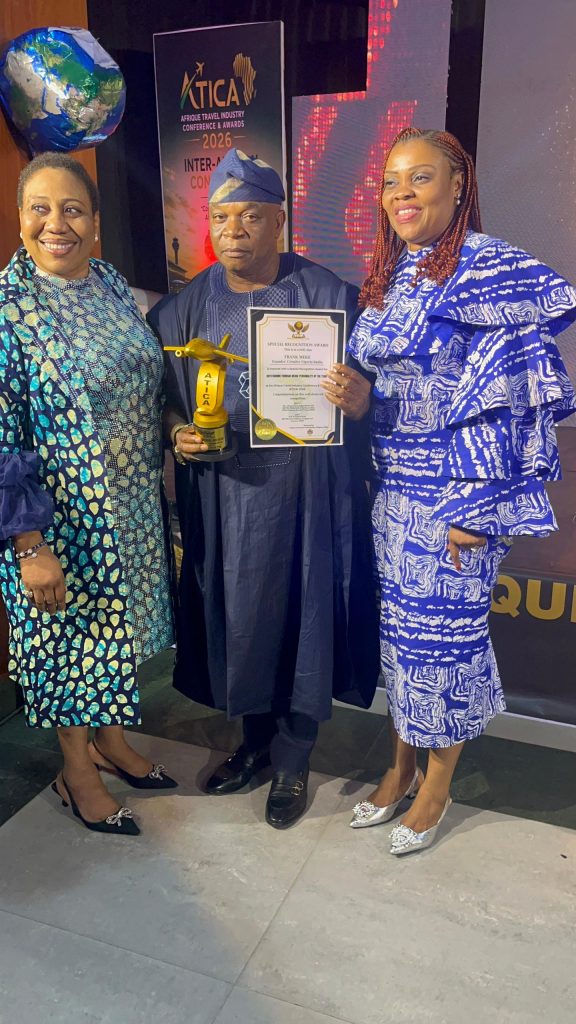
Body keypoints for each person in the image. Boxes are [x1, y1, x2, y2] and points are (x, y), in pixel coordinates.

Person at [347, 127, 576, 855]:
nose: (402, 194)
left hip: (454, 500)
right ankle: (399, 767)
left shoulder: (489, 270)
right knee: (402, 641)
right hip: (393, 494)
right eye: (391, 181)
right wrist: (360, 400)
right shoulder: (395, 273)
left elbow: (502, 400)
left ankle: (437, 787)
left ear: (458, 185)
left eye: (420, 178)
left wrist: (474, 511)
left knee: (444, 646)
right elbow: (385, 384)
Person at [149, 149, 379, 829]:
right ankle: (253, 745)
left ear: (280, 221)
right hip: (227, 499)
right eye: (222, 217)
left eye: (251, 216)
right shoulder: (180, 312)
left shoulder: (333, 299)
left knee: (302, 620)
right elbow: (162, 402)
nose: (234, 231)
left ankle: (294, 757)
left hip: (305, 498)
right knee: (243, 618)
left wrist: (362, 401)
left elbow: (382, 394)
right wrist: (177, 433)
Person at [0, 153, 177, 837]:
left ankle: (111, 743)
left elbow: (144, 380)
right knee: (70, 647)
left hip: (126, 508)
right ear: (20, 219)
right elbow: (3, 441)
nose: (56, 224)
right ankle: (77, 771)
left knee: (115, 636)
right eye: (40, 209)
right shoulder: (10, 313)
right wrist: (30, 545)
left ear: (96, 224)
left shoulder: (109, 285)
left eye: (72, 209)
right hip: (56, 525)